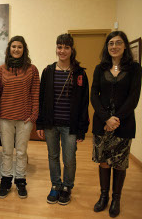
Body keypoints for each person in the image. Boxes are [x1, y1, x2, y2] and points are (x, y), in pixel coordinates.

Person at [91, 31, 142, 218]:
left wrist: (116, 119)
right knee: (104, 162)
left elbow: (133, 98)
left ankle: (116, 199)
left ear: (125, 46)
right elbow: (93, 96)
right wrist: (106, 118)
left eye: (118, 43)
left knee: (120, 163)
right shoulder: (100, 68)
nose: (114, 46)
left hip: (124, 124)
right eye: (111, 43)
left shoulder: (135, 68)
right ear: (107, 47)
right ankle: (103, 197)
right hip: (102, 124)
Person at [36, 33, 89, 205]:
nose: (62, 50)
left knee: (69, 159)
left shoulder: (79, 73)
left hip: (70, 126)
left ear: (72, 49)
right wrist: (40, 123)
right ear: (56, 48)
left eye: (66, 47)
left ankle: (67, 187)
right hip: (51, 124)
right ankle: (55, 185)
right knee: (52, 156)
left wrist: (82, 128)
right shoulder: (48, 71)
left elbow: (83, 103)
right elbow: (41, 99)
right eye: (60, 47)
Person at [0, 36, 40, 199]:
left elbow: (35, 93)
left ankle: (20, 180)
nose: (16, 49)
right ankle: (5, 181)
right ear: (9, 49)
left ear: (24, 49)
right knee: (7, 152)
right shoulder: (1, 69)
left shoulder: (32, 69)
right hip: (5, 118)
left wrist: (34, 115)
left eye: (19, 47)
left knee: (21, 152)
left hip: (25, 119)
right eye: (13, 46)